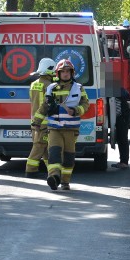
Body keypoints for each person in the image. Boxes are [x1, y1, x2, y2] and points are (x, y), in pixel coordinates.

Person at [32, 59, 89, 191]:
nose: (65, 74)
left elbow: (86, 104)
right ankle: (54, 177)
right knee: (54, 154)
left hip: (71, 129)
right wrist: (36, 122)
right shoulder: (51, 88)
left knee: (68, 158)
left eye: (67, 71)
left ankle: (65, 182)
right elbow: (44, 106)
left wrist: (75, 110)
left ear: (72, 73)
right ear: (58, 73)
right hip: (54, 128)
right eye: (62, 71)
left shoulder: (79, 88)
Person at [25, 58, 56, 178]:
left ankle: (52, 171)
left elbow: (32, 101)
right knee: (39, 146)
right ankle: (30, 169)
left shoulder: (34, 84)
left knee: (45, 148)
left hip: (35, 121)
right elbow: (48, 104)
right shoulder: (49, 86)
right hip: (44, 122)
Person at [111, 87, 130, 169]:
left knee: (122, 139)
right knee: (121, 139)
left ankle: (124, 162)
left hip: (122, 117)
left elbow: (126, 95)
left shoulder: (117, 90)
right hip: (121, 117)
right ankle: (123, 161)